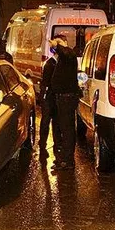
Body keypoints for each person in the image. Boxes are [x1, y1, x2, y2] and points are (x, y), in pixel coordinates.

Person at [49, 35, 81, 171]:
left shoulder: (69, 54)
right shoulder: (64, 57)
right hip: (63, 98)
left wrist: (58, 45)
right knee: (64, 129)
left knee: (67, 130)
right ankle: (65, 158)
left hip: (67, 98)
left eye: (59, 43)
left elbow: (65, 52)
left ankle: (67, 161)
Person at [38, 47, 59, 161]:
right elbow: (45, 82)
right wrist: (43, 97)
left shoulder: (55, 63)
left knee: (56, 122)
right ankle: (43, 146)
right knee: (46, 122)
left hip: (53, 97)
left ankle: (56, 145)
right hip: (49, 98)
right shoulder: (50, 64)